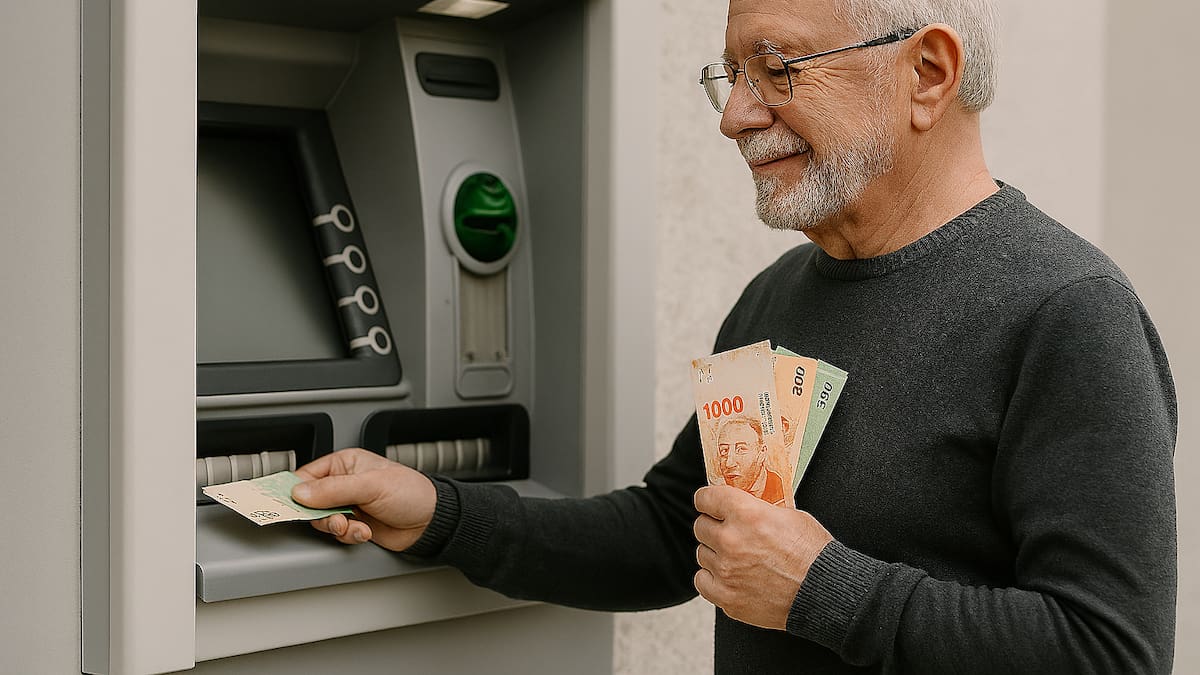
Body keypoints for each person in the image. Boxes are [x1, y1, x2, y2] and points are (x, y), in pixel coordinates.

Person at [291, 0, 1178, 672]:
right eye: (730, 75)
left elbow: (1111, 650)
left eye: (777, 68)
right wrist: (438, 512)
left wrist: (821, 589)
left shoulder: (1069, 311)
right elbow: (671, 536)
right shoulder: (775, 298)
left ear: (928, 73)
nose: (735, 116)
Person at [716, 416, 787, 505]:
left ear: (762, 452)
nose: (729, 463)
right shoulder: (719, 493)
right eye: (724, 450)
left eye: (741, 449)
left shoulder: (782, 489)